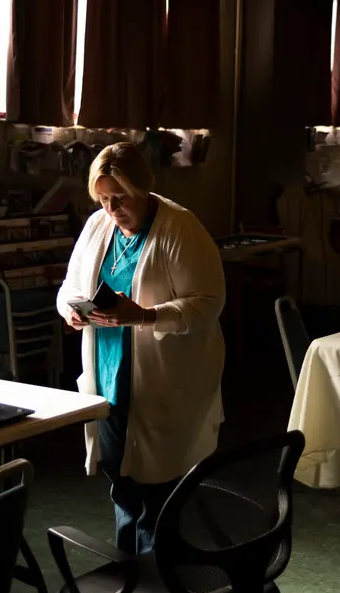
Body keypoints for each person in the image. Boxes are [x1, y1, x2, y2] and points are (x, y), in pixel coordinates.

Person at [56, 142, 226, 554]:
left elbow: (208, 303)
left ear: (145, 189)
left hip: (164, 378)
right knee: (122, 480)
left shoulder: (179, 228)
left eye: (122, 198)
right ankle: (130, 574)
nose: (113, 209)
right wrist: (71, 312)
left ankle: (161, 581)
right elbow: (69, 288)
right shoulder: (98, 226)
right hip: (109, 374)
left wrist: (145, 317)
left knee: (159, 486)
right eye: (104, 198)